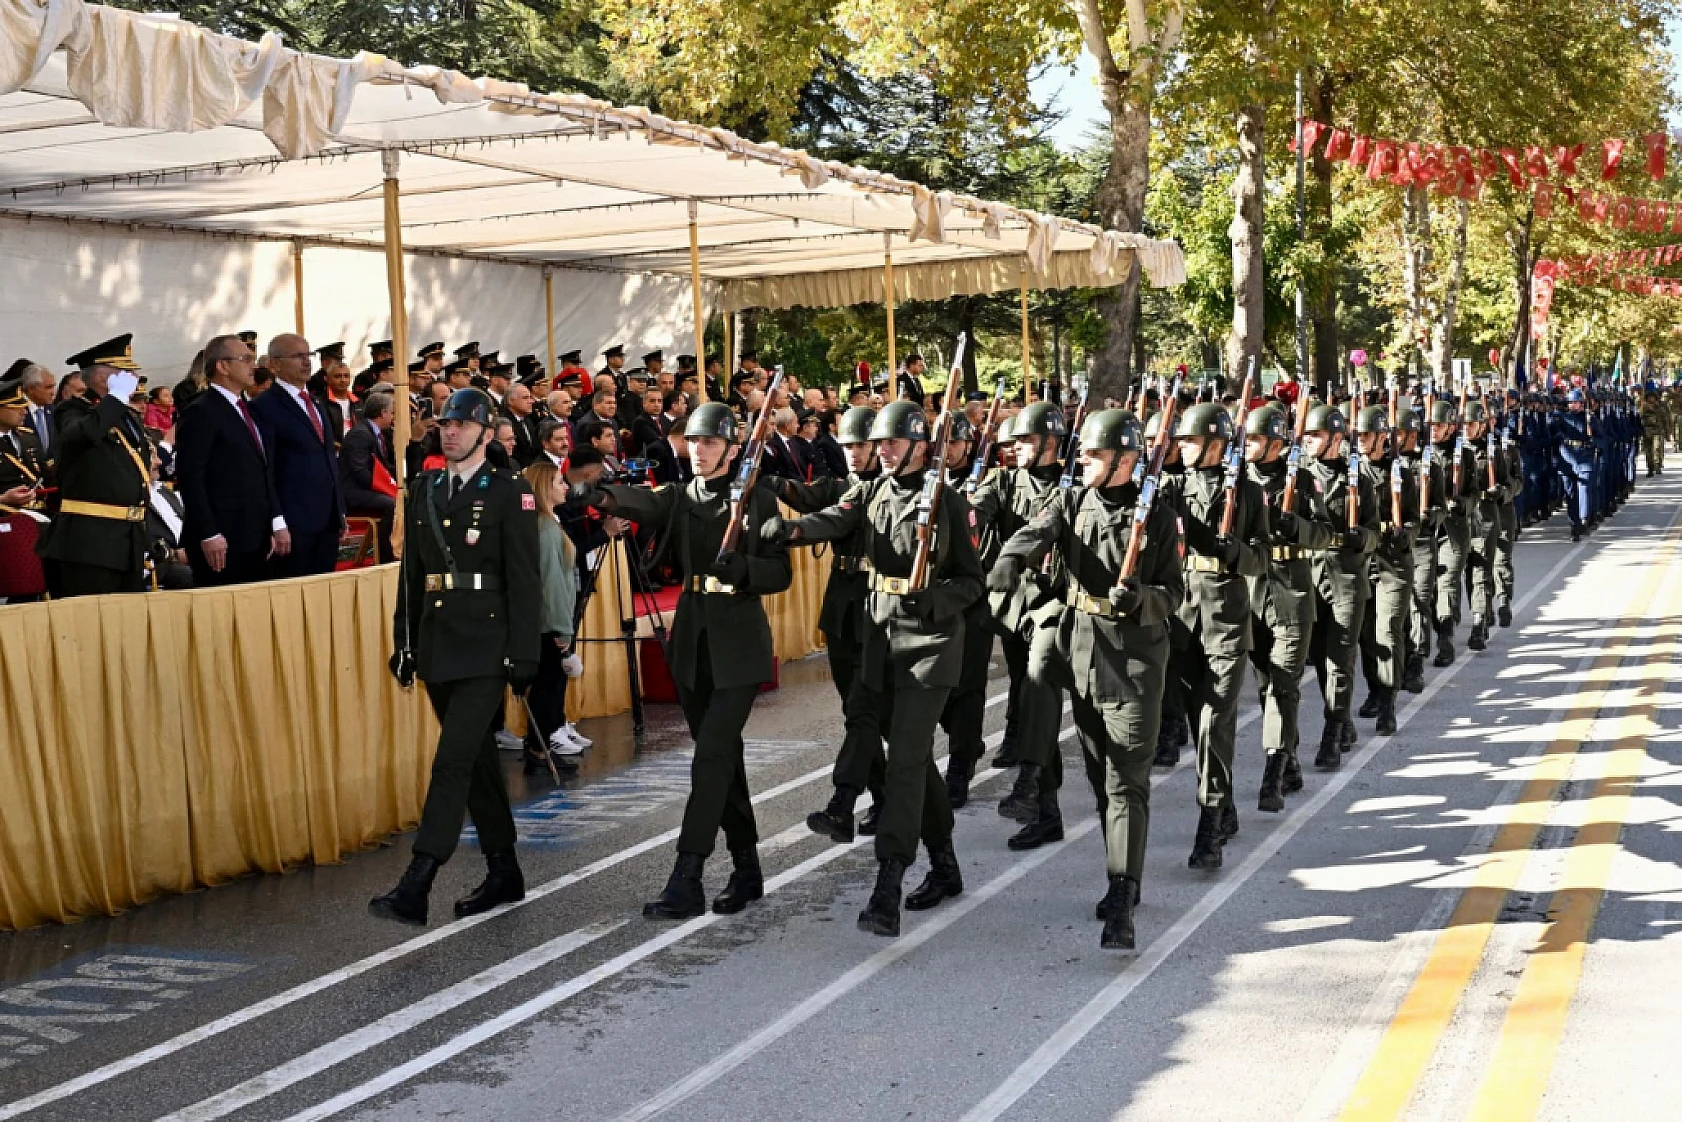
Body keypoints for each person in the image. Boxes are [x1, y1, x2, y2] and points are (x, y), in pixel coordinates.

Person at [571, 401, 793, 920]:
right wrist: (595, 493)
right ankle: (747, 866)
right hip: (693, 640)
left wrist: (742, 567)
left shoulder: (756, 498)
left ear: (732, 448)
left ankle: (687, 874)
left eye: (710, 442)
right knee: (723, 759)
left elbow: (779, 573)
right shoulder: (679, 495)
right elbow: (640, 502)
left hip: (738, 642)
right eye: (693, 441)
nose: (699, 450)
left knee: (710, 755)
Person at [771, 401, 985, 937]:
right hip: (877, 640)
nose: (883, 452)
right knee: (912, 763)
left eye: (892, 443)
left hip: (929, 648)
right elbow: (834, 518)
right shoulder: (869, 493)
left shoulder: (950, 504)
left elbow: (973, 581)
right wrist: (792, 532)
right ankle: (945, 863)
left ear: (918, 445)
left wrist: (933, 600)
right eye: (880, 444)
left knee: (906, 762)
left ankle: (889, 880)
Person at [994, 409, 1183, 947]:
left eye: (1094, 455)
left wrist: (1142, 598)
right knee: (1103, 779)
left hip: (1137, 659)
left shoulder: (1160, 518)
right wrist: (1019, 580)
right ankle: (1121, 870)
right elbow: (1031, 538)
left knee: (1127, 780)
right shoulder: (1071, 500)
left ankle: (1123, 892)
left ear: (1124, 461)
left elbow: (1174, 592)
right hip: (1082, 649)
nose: (1082, 461)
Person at [372, 388, 540, 926]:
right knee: (476, 764)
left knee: (451, 761)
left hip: (488, 646)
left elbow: (524, 578)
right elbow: (412, 577)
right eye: (445, 423)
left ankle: (418, 880)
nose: (450, 431)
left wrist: (524, 653)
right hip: (439, 642)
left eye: (462, 425)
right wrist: (404, 640)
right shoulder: (423, 488)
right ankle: (504, 869)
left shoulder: (508, 492)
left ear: (487, 435)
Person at [1163, 401, 1270, 870]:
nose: (1182, 449)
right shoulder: (1170, 489)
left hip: (1226, 621)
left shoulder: (1246, 491)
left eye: (1190, 441)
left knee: (1214, 722)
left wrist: (1236, 553)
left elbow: (1262, 558)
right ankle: (1223, 801)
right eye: (1180, 441)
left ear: (1216, 444)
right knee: (1195, 719)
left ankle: (1209, 823)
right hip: (1182, 621)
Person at [776, 406, 888, 839]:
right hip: (844, 609)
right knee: (855, 713)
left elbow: (832, 517)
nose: (854, 454)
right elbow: (808, 495)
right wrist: (767, 481)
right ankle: (883, 798)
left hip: (878, 610)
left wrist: (795, 531)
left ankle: (843, 802)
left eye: (860, 446)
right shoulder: (845, 485)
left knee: (864, 712)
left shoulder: (890, 492)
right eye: (847, 447)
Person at [1243, 403, 1334, 811]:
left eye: (1255, 439)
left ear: (1276, 445)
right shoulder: (1239, 481)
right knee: (1265, 685)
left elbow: (1326, 532)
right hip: (1250, 592)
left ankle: (1273, 771)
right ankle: (1290, 754)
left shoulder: (1303, 479)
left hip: (1290, 591)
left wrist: (1295, 527)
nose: (1247, 446)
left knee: (1283, 684)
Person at [35, 335, 152, 596]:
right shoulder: (72, 410)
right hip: (90, 541)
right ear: (100, 376)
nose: (131, 377)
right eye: (123, 372)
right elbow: (85, 433)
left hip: (129, 538)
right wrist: (118, 396)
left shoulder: (123, 413)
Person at [174, 334, 288, 587]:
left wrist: (272, 523)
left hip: (255, 534)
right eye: (245, 359)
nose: (254, 366)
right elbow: (191, 477)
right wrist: (208, 532)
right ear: (222, 366)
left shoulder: (247, 409)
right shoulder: (201, 411)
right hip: (222, 539)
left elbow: (262, 470)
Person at [1301, 403, 1379, 766]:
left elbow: (1374, 530)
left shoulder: (1358, 478)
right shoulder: (1299, 477)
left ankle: (1332, 731)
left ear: (1335, 439)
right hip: (1312, 575)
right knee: (1320, 658)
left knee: (1341, 659)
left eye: (1316, 435)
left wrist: (1359, 536)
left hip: (1347, 575)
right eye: (1307, 435)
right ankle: (1342, 718)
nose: (1309, 441)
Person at [251, 334, 344, 578]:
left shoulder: (315, 402)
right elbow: (265, 468)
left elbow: (328, 458)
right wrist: (276, 520)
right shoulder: (264, 406)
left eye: (308, 355)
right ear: (275, 364)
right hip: (293, 521)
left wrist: (339, 509)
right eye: (297, 356)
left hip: (327, 518)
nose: (306, 362)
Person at [1354, 404, 1417, 738]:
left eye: (1367, 435)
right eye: (1358, 435)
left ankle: (1390, 700)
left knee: (1387, 630)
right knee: (1365, 634)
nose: (1361, 441)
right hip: (1362, 563)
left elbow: (1414, 519)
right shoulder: (1352, 473)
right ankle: (1375, 689)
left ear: (1381, 437)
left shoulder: (1401, 473)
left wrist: (1402, 532)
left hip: (1393, 562)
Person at [521, 459, 586, 768]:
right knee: (546, 686)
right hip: (548, 623)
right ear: (545, 487)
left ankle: (541, 744)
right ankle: (538, 746)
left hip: (547, 620)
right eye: (560, 482)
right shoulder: (545, 529)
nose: (566, 486)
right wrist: (562, 628)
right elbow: (552, 582)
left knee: (547, 683)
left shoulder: (548, 523)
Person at [341, 392, 399, 563]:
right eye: (392, 412)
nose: (393, 416)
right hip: (353, 492)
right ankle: (384, 555)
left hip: (366, 488)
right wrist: (383, 488)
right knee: (392, 504)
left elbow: (385, 467)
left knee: (402, 498)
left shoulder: (375, 433)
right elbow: (359, 471)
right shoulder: (361, 434)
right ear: (383, 413)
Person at [503, 383, 541, 468]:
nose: (531, 401)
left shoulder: (528, 421)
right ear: (511, 401)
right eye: (525, 398)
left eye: (530, 397)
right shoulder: (504, 423)